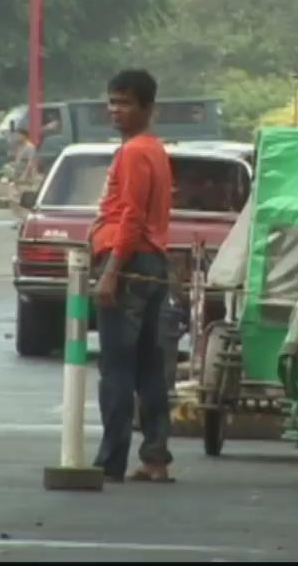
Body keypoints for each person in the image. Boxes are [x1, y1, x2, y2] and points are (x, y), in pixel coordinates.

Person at [89, 69, 175, 483]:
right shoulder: (154, 149)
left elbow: (132, 216)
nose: (115, 111)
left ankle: (111, 461)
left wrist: (110, 271)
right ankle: (155, 457)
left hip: (131, 263)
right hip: (153, 262)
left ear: (147, 108)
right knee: (148, 368)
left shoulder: (136, 151)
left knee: (117, 368)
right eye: (112, 102)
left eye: (124, 103)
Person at [8, 128, 38, 227]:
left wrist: (24, 176)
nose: (15, 137)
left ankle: (25, 219)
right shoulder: (19, 147)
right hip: (17, 177)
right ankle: (19, 218)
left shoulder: (30, 147)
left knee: (24, 199)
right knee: (13, 198)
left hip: (26, 179)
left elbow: (30, 163)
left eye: (18, 135)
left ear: (24, 136)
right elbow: (18, 162)